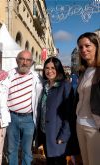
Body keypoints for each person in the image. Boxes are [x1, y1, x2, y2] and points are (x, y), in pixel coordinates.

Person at [0, 50, 43, 165]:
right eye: (22, 59)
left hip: (29, 119)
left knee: (27, 150)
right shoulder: (8, 75)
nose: (25, 62)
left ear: (31, 63)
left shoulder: (37, 77)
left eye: (28, 60)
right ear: (17, 60)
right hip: (12, 118)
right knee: (12, 149)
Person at [38, 57, 73, 165]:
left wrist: (64, 135)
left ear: (58, 69)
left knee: (58, 162)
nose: (49, 71)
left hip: (57, 134)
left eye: (53, 68)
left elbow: (70, 113)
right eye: (47, 68)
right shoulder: (45, 85)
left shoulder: (65, 85)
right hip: (45, 132)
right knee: (50, 161)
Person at [75, 32, 100, 165]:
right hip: (80, 124)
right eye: (80, 47)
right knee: (85, 162)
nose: (83, 50)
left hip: (95, 127)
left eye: (87, 45)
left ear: (97, 46)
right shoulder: (83, 71)